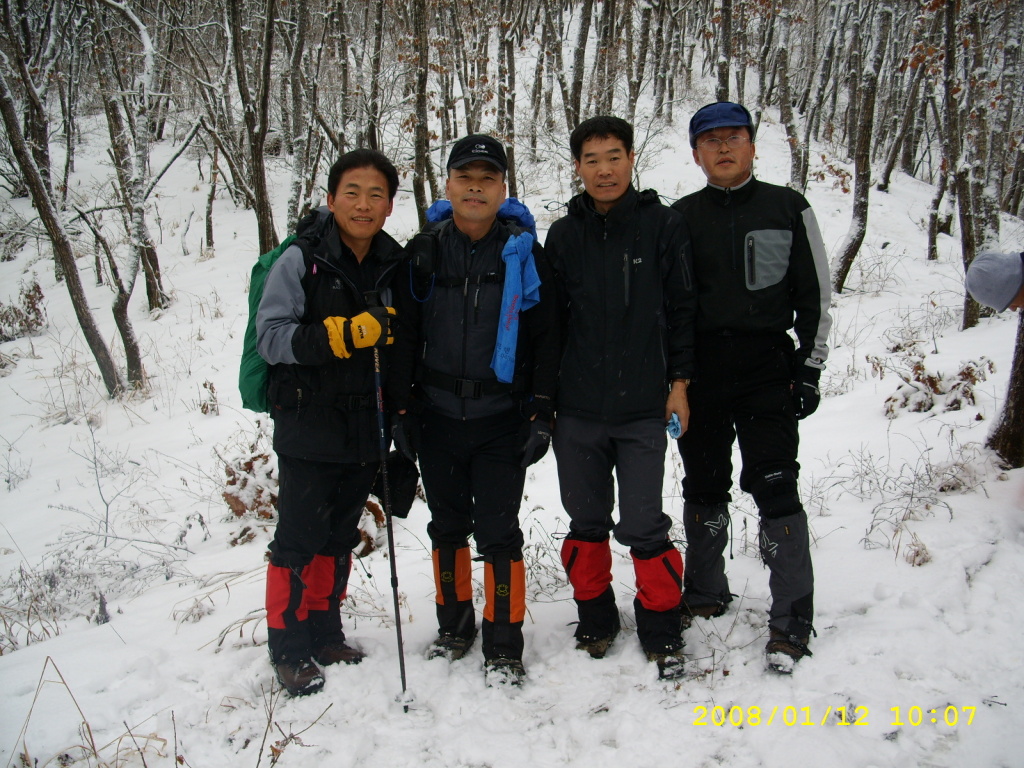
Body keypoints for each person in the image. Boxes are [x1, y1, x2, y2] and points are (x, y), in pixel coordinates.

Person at [671, 101, 833, 674]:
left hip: (769, 368)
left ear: (753, 145)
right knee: (705, 483)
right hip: (703, 371)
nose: (722, 148)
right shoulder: (682, 216)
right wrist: (676, 379)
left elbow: (815, 291)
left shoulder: (787, 207)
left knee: (775, 485)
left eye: (734, 137)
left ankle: (791, 619)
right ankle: (706, 591)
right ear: (696, 154)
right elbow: (673, 305)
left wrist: (809, 369)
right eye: (710, 140)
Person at [392, 134, 559, 686]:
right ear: (448, 185)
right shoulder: (424, 250)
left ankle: (504, 642)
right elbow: (403, 336)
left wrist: (542, 411)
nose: (475, 187)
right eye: (465, 177)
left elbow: (545, 337)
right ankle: (454, 628)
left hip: (500, 418)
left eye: (487, 179)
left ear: (502, 189)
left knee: (498, 533)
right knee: (446, 528)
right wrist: (402, 412)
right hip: (436, 416)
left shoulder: (522, 251)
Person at [544, 115, 696, 680]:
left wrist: (680, 383)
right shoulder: (562, 235)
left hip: (641, 408)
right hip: (577, 408)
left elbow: (683, 309)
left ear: (632, 159)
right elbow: (549, 325)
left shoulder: (663, 225)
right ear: (578, 166)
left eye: (614, 156)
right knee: (585, 519)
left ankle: (660, 618)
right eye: (592, 159)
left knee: (642, 521)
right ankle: (595, 614)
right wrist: (546, 400)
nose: (604, 170)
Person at [255, 149, 411, 696]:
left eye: (376, 195)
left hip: (365, 429)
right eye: (352, 192)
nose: (364, 205)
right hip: (307, 424)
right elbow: (271, 337)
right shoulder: (300, 260)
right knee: (298, 540)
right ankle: (288, 649)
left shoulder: (391, 263)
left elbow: (395, 353)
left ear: (390, 205)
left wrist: (399, 424)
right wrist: (340, 335)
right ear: (331, 198)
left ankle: (325, 634)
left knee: (339, 538)